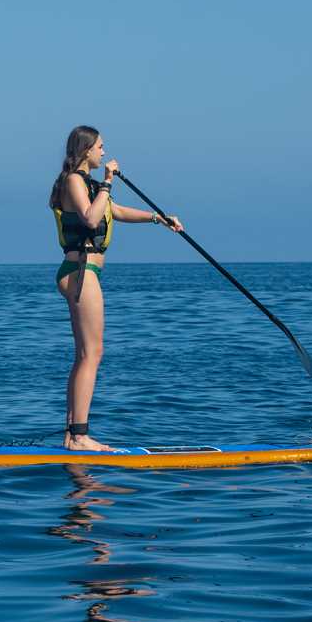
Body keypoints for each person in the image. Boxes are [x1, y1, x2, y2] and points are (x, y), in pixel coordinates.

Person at [49, 125, 182, 451]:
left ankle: (71, 435)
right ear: (85, 150)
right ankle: (80, 437)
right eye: (100, 147)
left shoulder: (88, 184)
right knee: (92, 354)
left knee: (84, 355)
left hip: (85, 272)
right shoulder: (74, 182)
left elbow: (114, 212)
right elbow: (91, 219)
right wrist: (108, 181)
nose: (104, 153)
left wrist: (158, 218)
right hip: (81, 272)